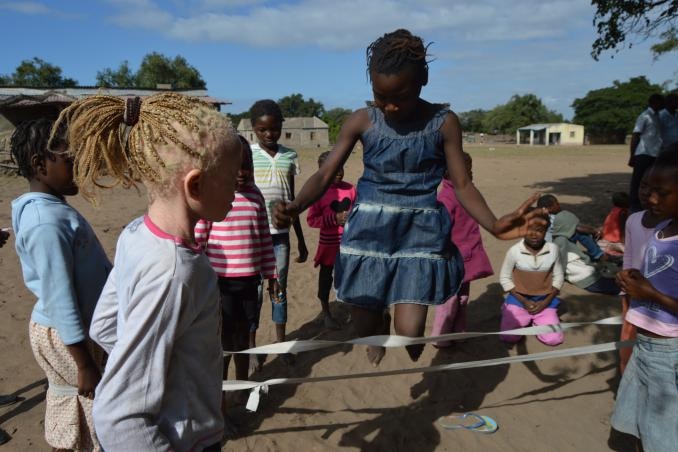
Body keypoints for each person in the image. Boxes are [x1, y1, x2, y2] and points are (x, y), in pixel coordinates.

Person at [272, 29, 545, 366]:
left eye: (400, 96)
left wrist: (493, 224)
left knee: (411, 331)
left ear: (423, 80)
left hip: (419, 234)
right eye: (379, 95)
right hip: (369, 232)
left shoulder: (444, 123)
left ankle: (400, 329)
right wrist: (296, 206)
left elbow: (461, 183)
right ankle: (379, 321)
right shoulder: (362, 120)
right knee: (365, 327)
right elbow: (325, 173)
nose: (389, 105)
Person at [54, 93, 242, 451]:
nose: (238, 188)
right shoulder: (177, 272)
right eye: (233, 178)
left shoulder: (135, 233)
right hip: (183, 440)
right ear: (196, 185)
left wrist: (158, 367)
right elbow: (120, 417)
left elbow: (105, 325)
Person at [10, 118, 112, 451]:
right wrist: (84, 362)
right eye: (70, 159)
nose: (79, 165)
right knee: (88, 400)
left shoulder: (47, 209)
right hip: (70, 332)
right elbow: (60, 295)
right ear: (41, 165)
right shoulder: (45, 222)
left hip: (70, 328)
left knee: (76, 401)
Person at [195, 135, 278, 388]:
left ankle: (243, 388)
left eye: (248, 166)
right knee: (223, 343)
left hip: (250, 283)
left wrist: (272, 275)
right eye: (236, 167)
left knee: (243, 338)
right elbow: (199, 239)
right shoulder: (215, 196)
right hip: (220, 283)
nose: (242, 173)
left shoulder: (256, 196)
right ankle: (221, 396)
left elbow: (264, 238)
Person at [611, 149, 678, 452]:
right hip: (644, 345)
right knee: (641, 422)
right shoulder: (661, 231)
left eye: (661, 193)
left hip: (668, 352)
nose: (651, 199)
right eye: (649, 191)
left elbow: (658, 291)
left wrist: (649, 293)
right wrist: (633, 280)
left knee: (663, 431)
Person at [249, 99, 308, 357]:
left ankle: (282, 345)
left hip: (281, 238)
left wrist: (301, 240)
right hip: (253, 237)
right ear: (254, 129)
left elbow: (292, 199)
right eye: (263, 130)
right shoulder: (248, 155)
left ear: (281, 127)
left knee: (279, 290)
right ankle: (251, 349)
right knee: (254, 293)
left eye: (274, 129)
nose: (269, 134)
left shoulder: (289, 156)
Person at [431, 152, 493, 346]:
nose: (471, 174)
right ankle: (440, 337)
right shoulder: (446, 198)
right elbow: (439, 230)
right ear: (449, 173)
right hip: (452, 259)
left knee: (463, 298)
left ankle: (458, 331)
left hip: (468, 257)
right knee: (449, 301)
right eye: (467, 171)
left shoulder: (468, 194)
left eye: (471, 170)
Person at [306, 151, 357, 330]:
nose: (339, 172)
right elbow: (311, 220)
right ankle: (326, 313)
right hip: (328, 246)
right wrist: (333, 220)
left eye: (341, 167)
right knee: (325, 281)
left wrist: (352, 218)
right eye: (334, 169)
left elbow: (358, 213)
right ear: (323, 171)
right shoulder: (318, 193)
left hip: (349, 245)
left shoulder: (351, 189)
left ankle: (354, 313)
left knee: (349, 279)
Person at [618, 172, 662, 373]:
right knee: (628, 341)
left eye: (655, 189)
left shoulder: (670, 227)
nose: (647, 194)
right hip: (632, 293)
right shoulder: (633, 219)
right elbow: (628, 255)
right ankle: (625, 383)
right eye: (643, 186)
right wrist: (625, 286)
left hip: (658, 299)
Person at [499, 216, 564, 346]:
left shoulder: (553, 249)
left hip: (544, 300)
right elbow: (504, 277)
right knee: (508, 337)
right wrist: (524, 301)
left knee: (554, 339)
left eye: (539, 230)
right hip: (519, 299)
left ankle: (536, 318)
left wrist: (545, 302)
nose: (534, 235)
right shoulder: (514, 251)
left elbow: (559, 276)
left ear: (546, 231)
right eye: (529, 230)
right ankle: (513, 311)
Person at [551, 210, 620, 295]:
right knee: (617, 286)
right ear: (568, 226)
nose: (576, 227)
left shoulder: (562, 238)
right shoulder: (561, 242)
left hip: (586, 273)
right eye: (574, 226)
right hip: (585, 277)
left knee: (614, 283)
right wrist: (556, 282)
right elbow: (560, 264)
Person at [537, 194, 604, 260]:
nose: (559, 205)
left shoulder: (541, 217)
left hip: (552, 243)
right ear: (550, 208)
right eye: (557, 204)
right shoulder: (557, 217)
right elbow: (579, 228)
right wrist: (595, 231)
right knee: (580, 233)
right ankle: (598, 254)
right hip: (556, 244)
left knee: (574, 230)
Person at [629, 93, 664, 212]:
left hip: (655, 153)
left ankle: (645, 202)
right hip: (643, 153)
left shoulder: (657, 116)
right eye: (661, 102)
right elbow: (635, 135)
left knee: (650, 179)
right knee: (638, 180)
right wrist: (632, 155)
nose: (663, 104)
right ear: (654, 102)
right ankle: (634, 205)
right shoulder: (644, 116)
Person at [598, 191, 630, 256]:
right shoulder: (623, 212)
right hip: (616, 240)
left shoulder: (614, 210)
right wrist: (623, 241)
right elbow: (622, 228)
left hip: (606, 238)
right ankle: (613, 248)